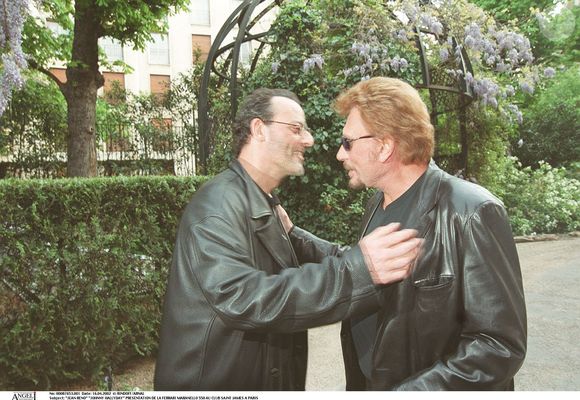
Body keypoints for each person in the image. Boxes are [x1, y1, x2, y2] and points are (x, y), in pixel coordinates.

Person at [153, 88, 422, 390]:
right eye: (296, 129)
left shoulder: (260, 201)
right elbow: (243, 297)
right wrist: (357, 271)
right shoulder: (217, 206)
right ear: (258, 130)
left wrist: (296, 236)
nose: (308, 140)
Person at [321, 76, 526, 389]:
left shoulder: (472, 211)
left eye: (348, 142)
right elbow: (359, 263)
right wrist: (293, 234)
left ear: (385, 146)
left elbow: (498, 346)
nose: (340, 153)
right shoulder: (378, 202)